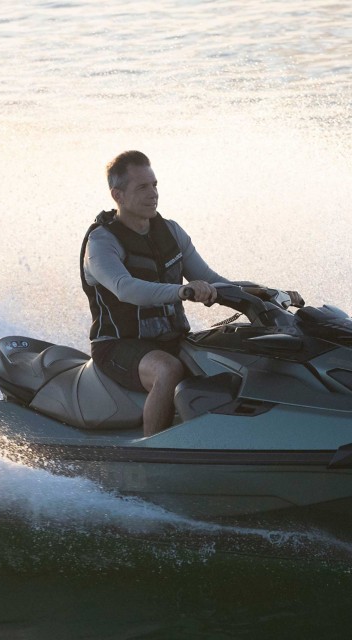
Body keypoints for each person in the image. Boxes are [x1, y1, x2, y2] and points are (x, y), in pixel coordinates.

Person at [80, 150, 234, 436]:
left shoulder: (171, 232)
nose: (153, 194)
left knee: (229, 358)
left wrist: (266, 295)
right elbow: (125, 289)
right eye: (142, 187)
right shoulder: (101, 242)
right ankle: (152, 450)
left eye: (154, 185)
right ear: (118, 195)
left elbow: (211, 280)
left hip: (171, 339)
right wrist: (182, 291)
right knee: (168, 369)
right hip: (117, 346)